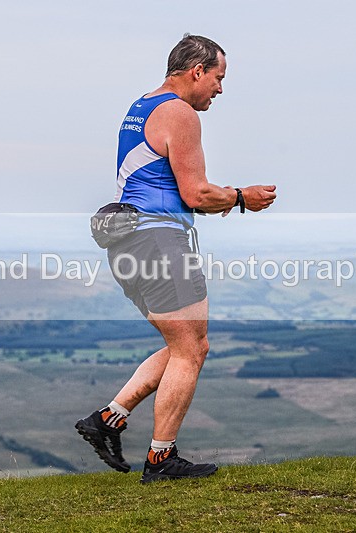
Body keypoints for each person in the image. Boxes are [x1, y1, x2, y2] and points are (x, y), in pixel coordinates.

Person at [76, 34, 276, 484]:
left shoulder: (141, 106)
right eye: (219, 78)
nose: (220, 90)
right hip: (159, 242)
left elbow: (173, 184)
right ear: (197, 71)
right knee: (192, 349)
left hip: (127, 243)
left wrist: (217, 198)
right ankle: (161, 460)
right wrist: (241, 197)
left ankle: (108, 419)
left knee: (181, 344)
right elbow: (195, 193)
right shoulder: (180, 113)